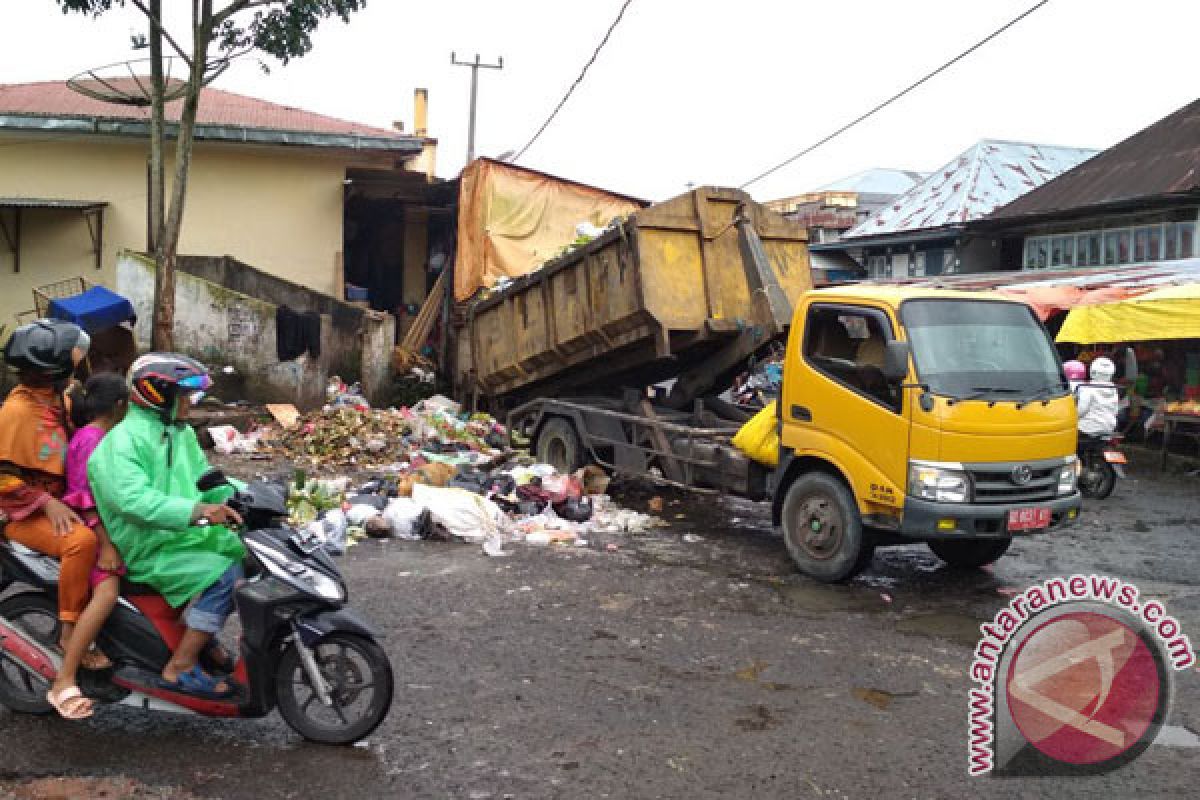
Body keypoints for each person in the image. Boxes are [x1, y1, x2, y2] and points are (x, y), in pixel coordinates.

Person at [88, 354, 245, 698]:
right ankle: (181, 667)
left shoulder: (179, 432)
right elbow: (133, 502)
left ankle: (203, 636)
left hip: (182, 535)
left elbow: (207, 479)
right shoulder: (122, 442)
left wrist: (248, 496)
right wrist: (199, 511)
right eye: (184, 396)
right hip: (147, 545)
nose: (190, 403)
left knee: (252, 556)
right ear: (158, 394)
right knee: (227, 576)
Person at [0, 320, 110, 719]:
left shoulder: (57, 400)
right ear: (54, 368)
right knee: (81, 542)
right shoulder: (16, 412)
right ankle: (69, 631)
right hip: (21, 511)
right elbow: (3, 477)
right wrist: (47, 503)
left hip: (62, 498)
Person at [59, 374, 132, 677]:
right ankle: (69, 666)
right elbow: (84, 497)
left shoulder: (105, 436)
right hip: (91, 531)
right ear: (119, 405)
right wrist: (106, 545)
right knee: (107, 591)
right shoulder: (90, 440)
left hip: (108, 528)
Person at [1076, 356, 1119, 438]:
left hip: (1088, 428)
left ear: (1092, 371)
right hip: (1109, 427)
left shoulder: (1088, 388)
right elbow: (1115, 410)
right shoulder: (1113, 389)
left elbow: (1081, 410)